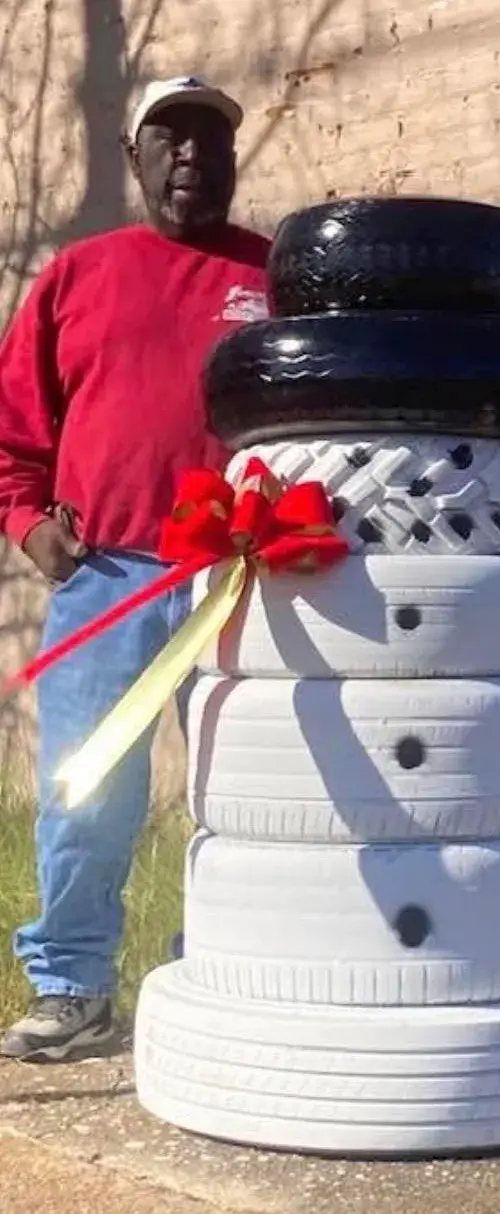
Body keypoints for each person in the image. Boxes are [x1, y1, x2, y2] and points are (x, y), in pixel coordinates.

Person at [0, 76, 270, 1061]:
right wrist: (29, 524)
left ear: (231, 157)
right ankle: (74, 988)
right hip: (107, 580)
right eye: (170, 137)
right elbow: (14, 426)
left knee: (243, 794)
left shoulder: (275, 277)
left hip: (244, 585)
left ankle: (223, 970)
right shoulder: (78, 275)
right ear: (134, 156)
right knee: (85, 791)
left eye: (210, 138)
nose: (191, 154)